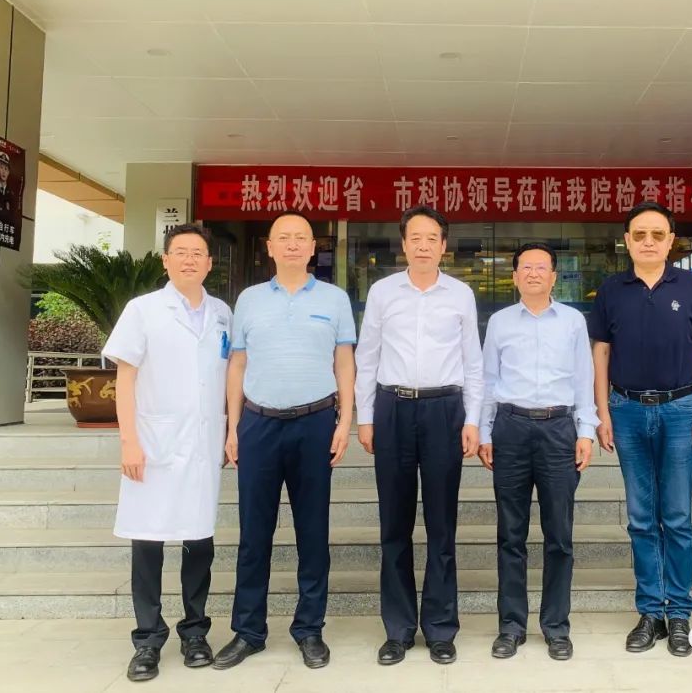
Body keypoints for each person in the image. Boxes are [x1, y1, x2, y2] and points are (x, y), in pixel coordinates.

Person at [214, 211, 356, 671]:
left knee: (313, 533)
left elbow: (344, 363)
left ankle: (309, 629)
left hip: (316, 423)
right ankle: (248, 631)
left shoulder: (335, 299)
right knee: (254, 534)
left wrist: (345, 421)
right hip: (258, 424)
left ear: (314, 248)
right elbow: (237, 364)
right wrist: (233, 426)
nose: (293, 244)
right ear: (270, 247)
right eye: (284, 238)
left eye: (301, 238)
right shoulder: (249, 300)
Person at [588, 201, 692, 658]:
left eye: (657, 234)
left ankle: (679, 612)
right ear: (627, 241)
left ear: (671, 241)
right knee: (642, 516)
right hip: (626, 410)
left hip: (681, 410)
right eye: (640, 234)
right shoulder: (611, 289)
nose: (648, 242)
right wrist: (602, 412)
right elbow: (601, 354)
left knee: (678, 516)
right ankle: (650, 611)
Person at [102, 223, 232, 682]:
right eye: (181, 252)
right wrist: (129, 441)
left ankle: (195, 633)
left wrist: (231, 431)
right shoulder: (143, 310)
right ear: (165, 259)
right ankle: (148, 640)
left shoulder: (222, 313)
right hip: (153, 444)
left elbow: (227, 376)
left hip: (203, 444)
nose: (189, 259)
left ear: (210, 263)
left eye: (198, 253)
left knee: (199, 541)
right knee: (148, 540)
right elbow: (125, 379)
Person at [354, 204, 484, 666]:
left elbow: (473, 361)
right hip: (392, 408)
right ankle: (399, 629)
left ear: (443, 246)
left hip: (445, 410)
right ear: (404, 244)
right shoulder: (383, 292)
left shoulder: (461, 294)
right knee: (395, 524)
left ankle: (441, 628)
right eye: (416, 238)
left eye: (432, 238)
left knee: (442, 524)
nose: (424, 246)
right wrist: (365, 417)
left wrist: (473, 419)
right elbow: (367, 357)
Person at [479, 243, 597, 662]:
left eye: (541, 267)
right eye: (525, 267)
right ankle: (511, 626)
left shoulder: (573, 321)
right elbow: (488, 379)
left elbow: (584, 378)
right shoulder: (499, 322)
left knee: (559, 535)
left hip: (559, 429)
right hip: (510, 428)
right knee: (510, 534)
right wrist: (484, 431)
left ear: (553, 276)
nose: (533, 273)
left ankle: (556, 627)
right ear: (514, 276)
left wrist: (586, 430)